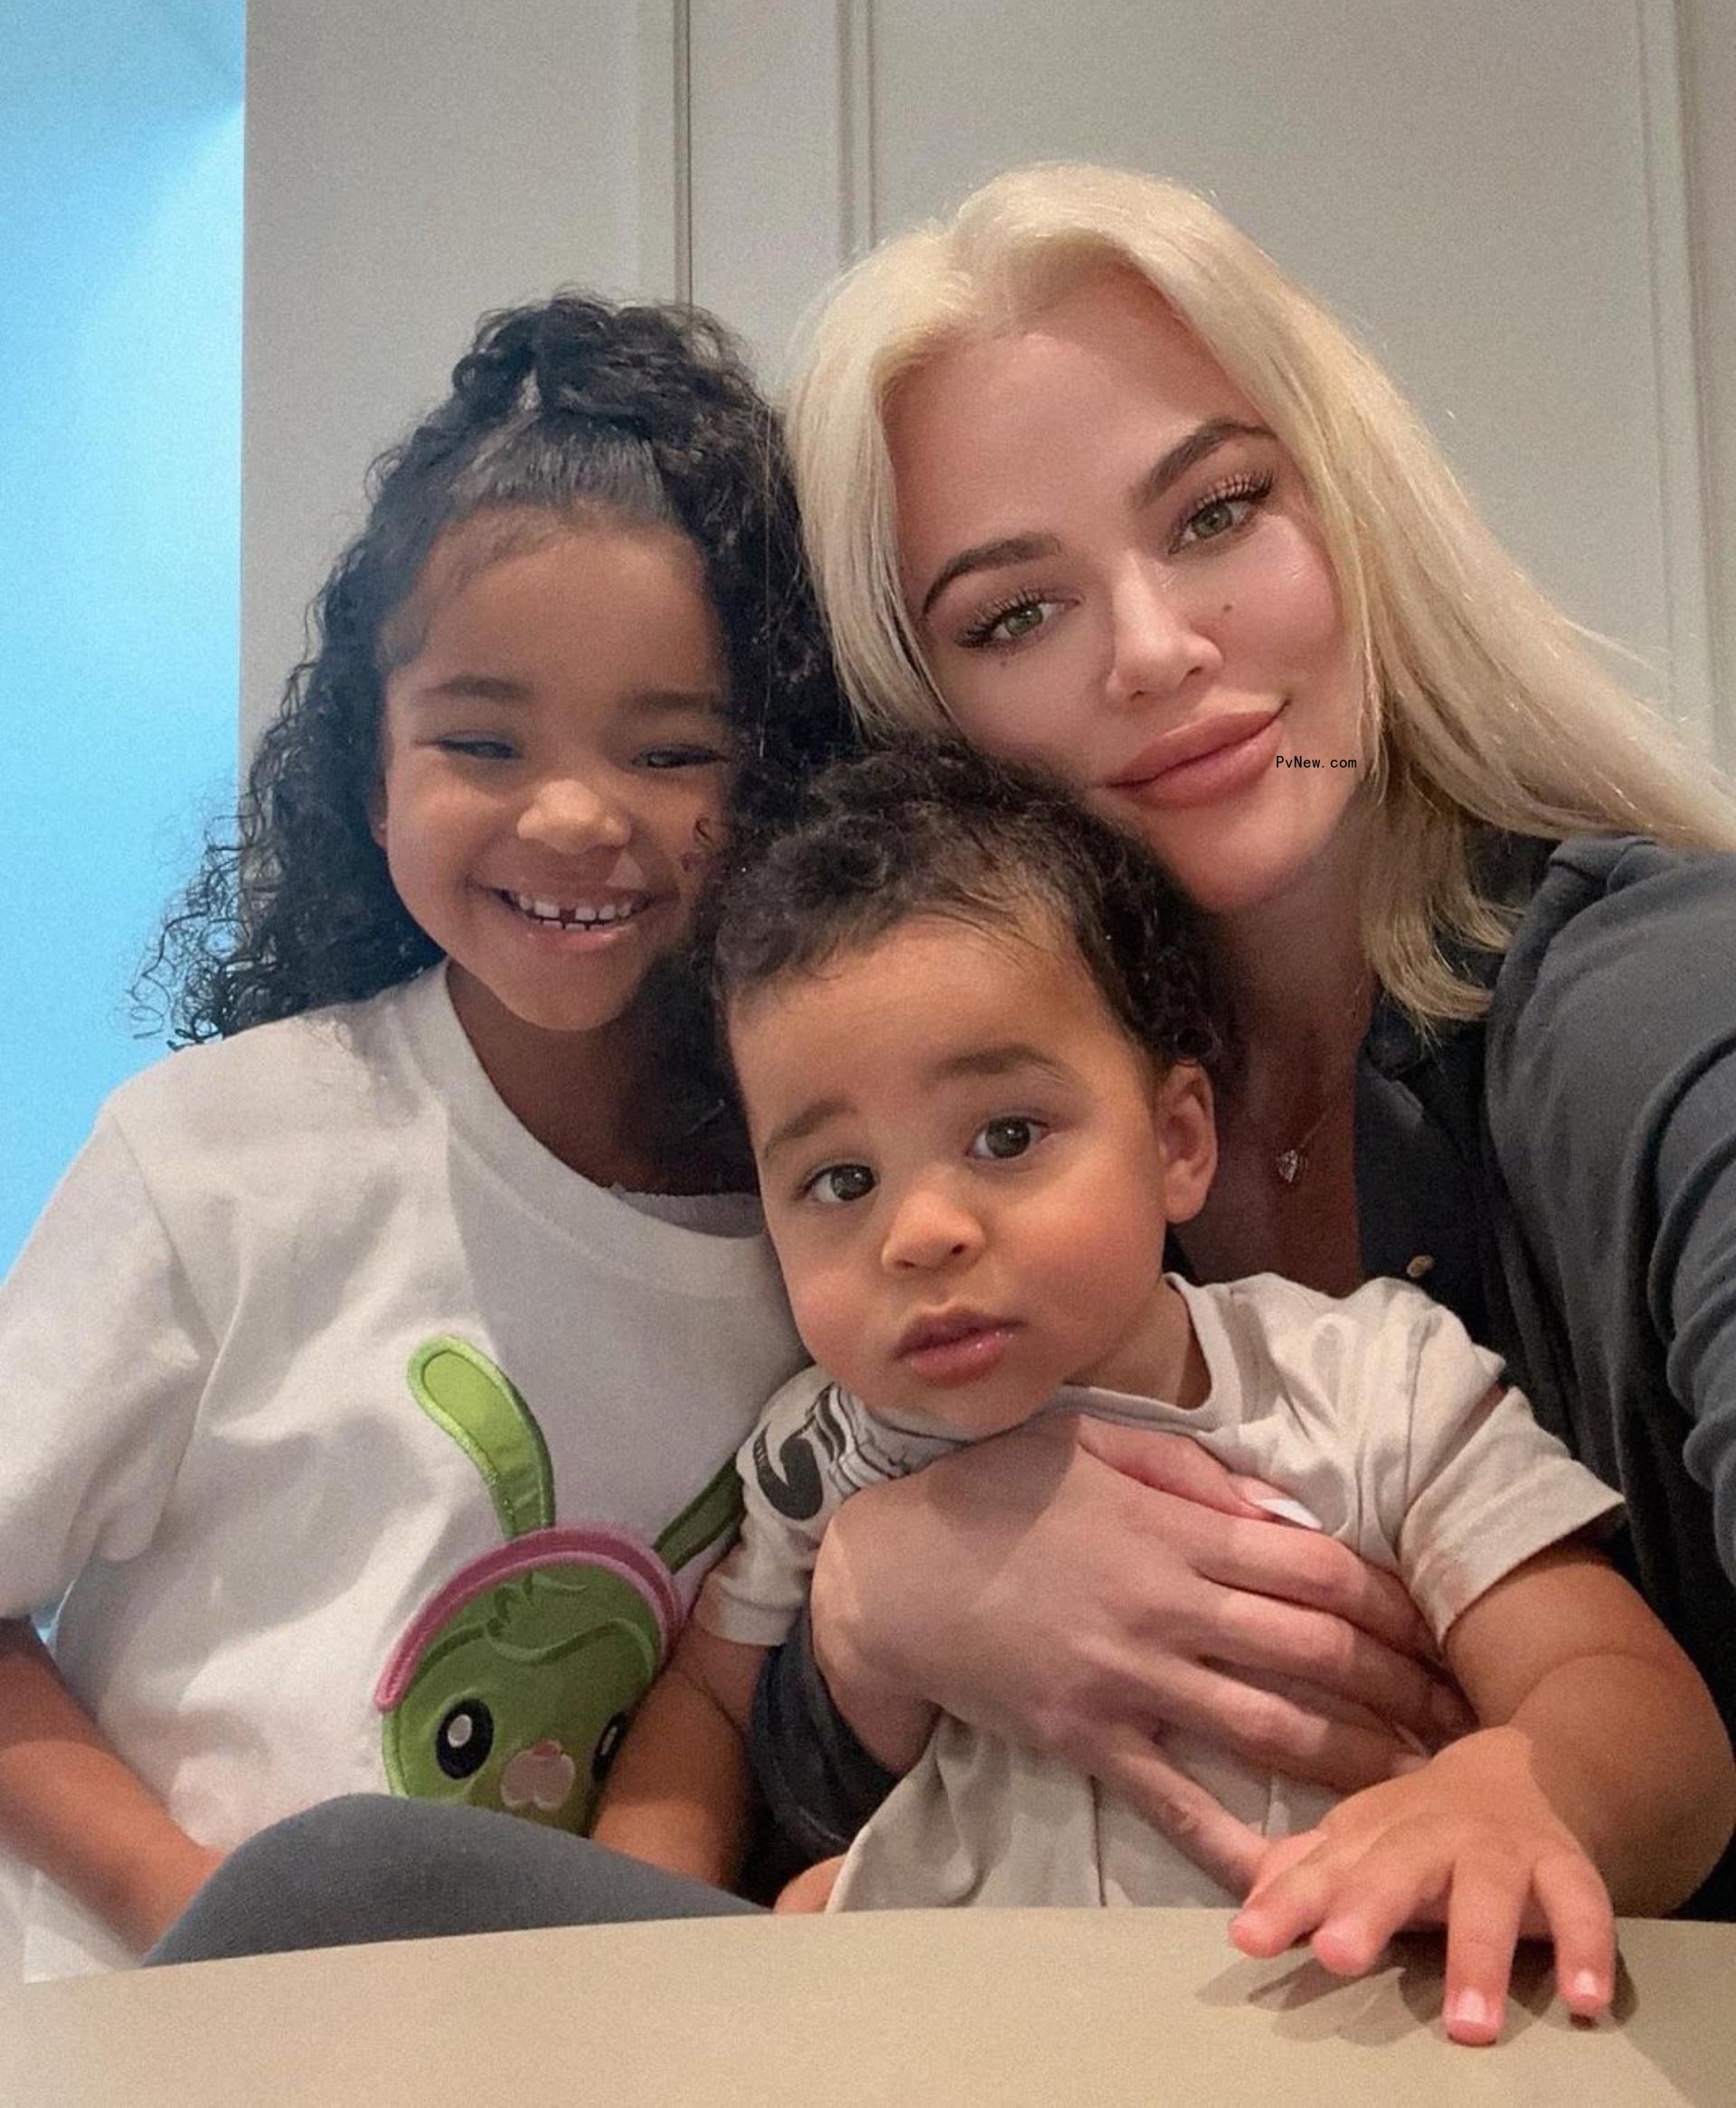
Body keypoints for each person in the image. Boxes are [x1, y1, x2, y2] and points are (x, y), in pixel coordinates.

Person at [760, 160, 1736, 1922]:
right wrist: (880, 1609)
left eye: (1215, 513)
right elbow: (819, 1830)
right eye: (1015, 614)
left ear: (1348, 506)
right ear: (922, 712)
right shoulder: (969, 1136)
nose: (1153, 649)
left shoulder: (1657, 1010)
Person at [590, 737, 1733, 2044]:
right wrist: (651, 1954)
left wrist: (1522, 1799)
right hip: (950, 2049)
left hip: (1313, 2032)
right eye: (839, 1182)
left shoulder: (1367, 1384)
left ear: (1177, 1140)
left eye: (1006, 1136)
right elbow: (708, 1707)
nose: (920, 1232)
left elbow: (1637, 1710)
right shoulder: (824, 1451)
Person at [0, 290, 846, 1980]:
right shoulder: (217, 1157)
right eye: (481, 739)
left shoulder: (829, 1221)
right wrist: (211, 1937)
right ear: (364, 769)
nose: (575, 815)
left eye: (673, 748)